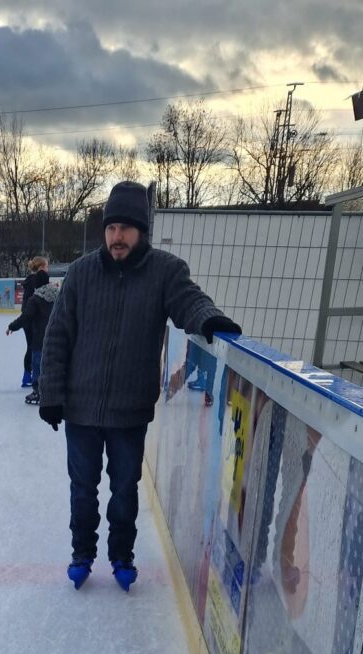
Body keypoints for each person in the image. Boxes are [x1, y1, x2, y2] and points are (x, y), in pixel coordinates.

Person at [39, 181, 242, 592]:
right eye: (111, 228)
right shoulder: (80, 274)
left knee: (124, 490)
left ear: (142, 232)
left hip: (129, 410)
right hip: (80, 407)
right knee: (82, 489)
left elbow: (189, 300)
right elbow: (57, 336)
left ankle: (121, 556)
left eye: (126, 229)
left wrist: (209, 320)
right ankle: (82, 553)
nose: (117, 237)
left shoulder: (165, 271)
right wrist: (51, 394)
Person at [6, 263, 56, 405]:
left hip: (39, 339)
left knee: (37, 365)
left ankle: (38, 392)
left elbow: (25, 317)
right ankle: (53, 391)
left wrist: (12, 326)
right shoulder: (57, 296)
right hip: (55, 337)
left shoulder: (35, 299)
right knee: (53, 365)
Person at [19, 257, 46, 386]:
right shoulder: (36, 281)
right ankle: (30, 376)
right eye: (46, 266)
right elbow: (32, 303)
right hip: (31, 319)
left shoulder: (32, 280)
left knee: (33, 347)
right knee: (34, 347)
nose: (48, 269)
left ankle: (28, 375)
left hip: (30, 318)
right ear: (41, 267)